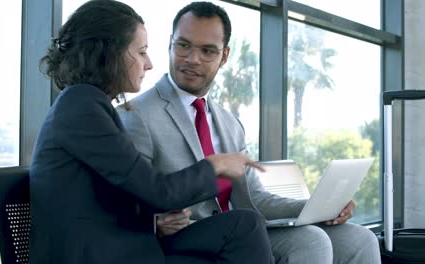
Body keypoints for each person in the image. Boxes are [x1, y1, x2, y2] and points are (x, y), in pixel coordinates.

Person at [117, 1, 381, 263]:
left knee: (361, 240)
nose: (192, 59)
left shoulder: (230, 123)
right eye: (183, 45)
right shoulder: (136, 115)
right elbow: (122, 199)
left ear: (224, 56)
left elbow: (255, 198)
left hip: (242, 231)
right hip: (185, 238)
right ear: (170, 43)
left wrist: (317, 209)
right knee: (311, 241)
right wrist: (154, 221)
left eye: (207, 51)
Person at [29, 0, 276, 263]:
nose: (148, 63)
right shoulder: (81, 106)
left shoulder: (88, 104)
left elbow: (112, 195)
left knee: (242, 226)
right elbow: (158, 191)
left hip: (121, 245)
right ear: (111, 53)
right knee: (242, 230)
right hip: (100, 255)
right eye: (142, 52)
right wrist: (215, 165)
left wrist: (154, 222)